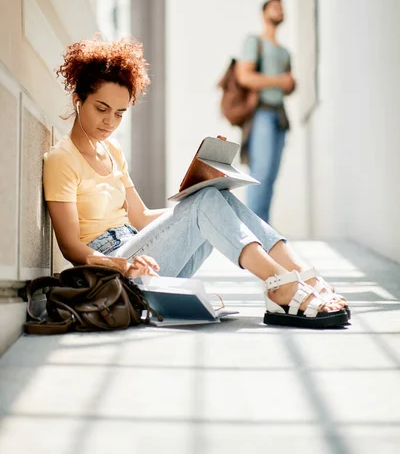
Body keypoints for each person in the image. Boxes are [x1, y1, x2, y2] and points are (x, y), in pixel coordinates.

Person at [43, 37, 349, 329]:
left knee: (217, 197)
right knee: (205, 203)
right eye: (101, 109)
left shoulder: (112, 151)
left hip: (144, 256)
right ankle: (280, 285)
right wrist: (122, 266)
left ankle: (302, 277)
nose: (110, 121)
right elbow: (71, 248)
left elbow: (139, 217)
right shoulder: (62, 159)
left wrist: (200, 190)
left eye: (120, 113)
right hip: (114, 273)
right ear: (77, 99)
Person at [236, 0, 295, 224]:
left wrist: (289, 84)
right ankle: (253, 231)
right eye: (274, 7)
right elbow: (245, 76)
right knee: (259, 174)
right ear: (263, 13)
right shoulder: (255, 42)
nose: (279, 10)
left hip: (280, 115)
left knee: (270, 176)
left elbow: (288, 84)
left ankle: (264, 229)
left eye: (282, 7)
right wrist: (280, 81)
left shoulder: (285, 53)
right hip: (261, 113)